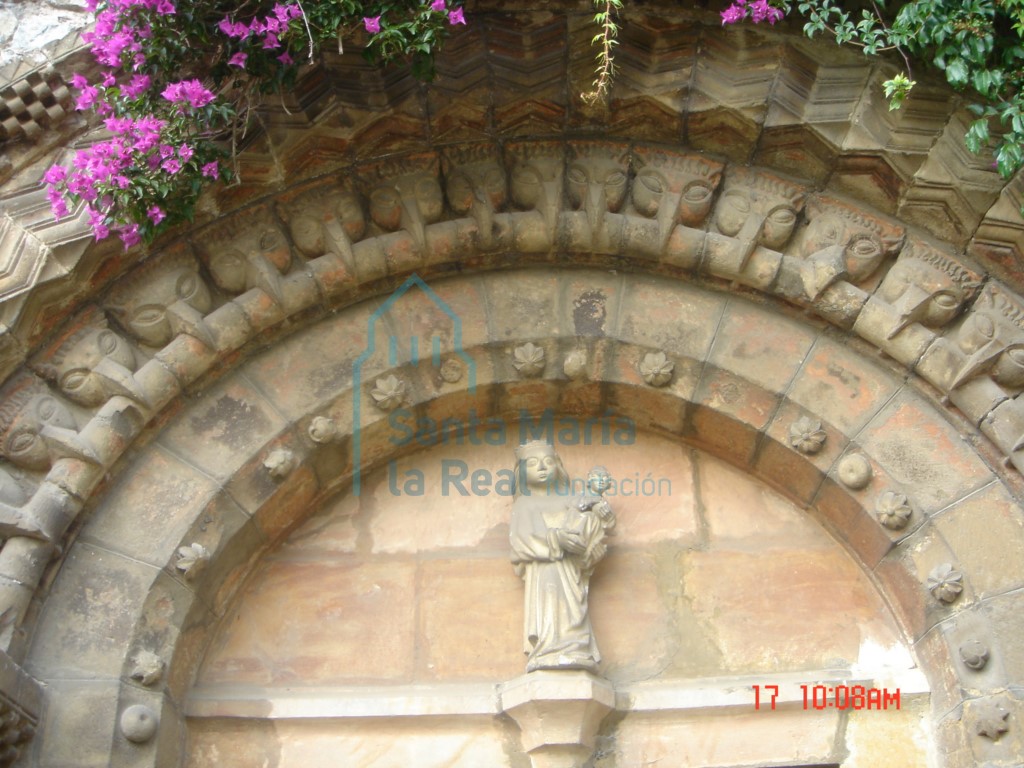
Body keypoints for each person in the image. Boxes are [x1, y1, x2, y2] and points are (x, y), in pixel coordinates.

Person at [509, 441, 614, 672]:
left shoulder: (570, 499)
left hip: (572, 568)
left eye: (548, 461)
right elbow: (522, 541)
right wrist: (557, 540)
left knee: (574, 609)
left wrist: (598, 513)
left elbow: (588, 516)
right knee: (551, 603)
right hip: (545, 568)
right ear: (522, 471)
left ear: (558, 465)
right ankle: (550, 650)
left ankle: (575, 649)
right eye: (533, 463)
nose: (542, 467)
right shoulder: (525, 504)